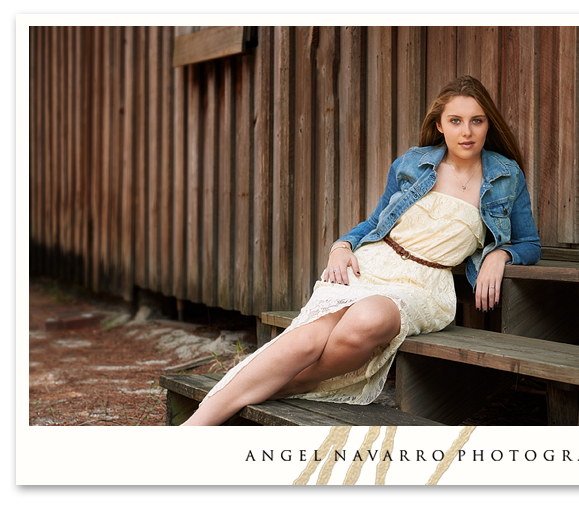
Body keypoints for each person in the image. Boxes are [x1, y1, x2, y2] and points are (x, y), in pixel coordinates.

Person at [182, 75, 541, 426]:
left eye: (477, 121)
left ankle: (297, 383)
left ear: (487, 125)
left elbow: (529, 243)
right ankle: (194, 428)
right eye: (456, 121)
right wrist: (341, 246)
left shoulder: (505, 176)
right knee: (305, 340)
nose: (467, 131)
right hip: (372, 263)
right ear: (440, 125)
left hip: (424, 285)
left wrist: (501, 254)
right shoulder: (413, 164)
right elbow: (375, 223)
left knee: (365, 320)